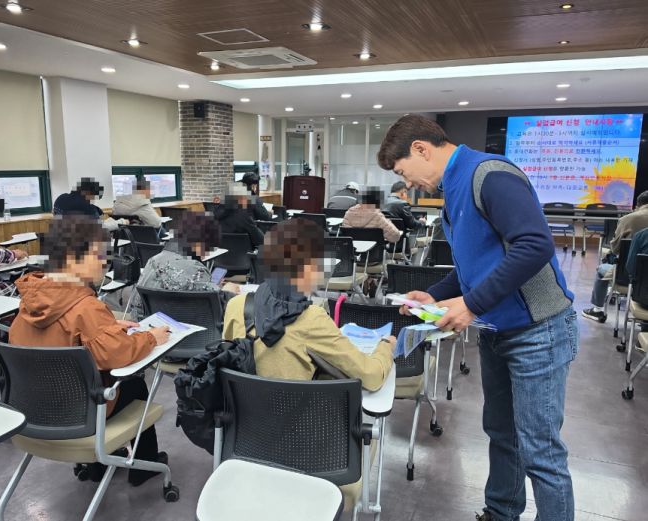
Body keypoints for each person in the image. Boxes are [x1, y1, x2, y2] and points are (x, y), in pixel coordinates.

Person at [378, 114, 576, 521]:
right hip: (497, 330)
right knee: (502, 434)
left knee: (540, 451)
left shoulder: (489, 175)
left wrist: (471, 305)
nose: (407, 183)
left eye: (402, 172)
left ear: (421, 149)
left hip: (538, 331)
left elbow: (534, 245)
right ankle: (501, 512)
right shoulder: (453, 189)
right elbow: (473, 264)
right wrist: (434, 295)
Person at [9, 215, 171, 486]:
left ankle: (97, 467)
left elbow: (63, 334)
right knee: (133, 385)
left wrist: (107, 327)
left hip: (35, 410)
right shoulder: (86, 307)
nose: (104, 263)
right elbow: (117, 354)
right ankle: (144, 466)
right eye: (98, 255)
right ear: (73, 259)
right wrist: (151, 337)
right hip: (78, 414)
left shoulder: (30, 301)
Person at [222, 218, 395, 389]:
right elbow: (372, 377)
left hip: (241, 405)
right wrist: (386, 346)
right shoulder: (312, 319)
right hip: (294, 406)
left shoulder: (236, 305)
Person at [134, 211, 240, 319]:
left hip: (150, 324)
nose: (207, 254)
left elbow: (137, 305)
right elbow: (219, 306)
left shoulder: (152, 261)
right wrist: (228, 292)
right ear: (199, 244)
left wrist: (209, 286)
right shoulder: (196, 270)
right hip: (188, 325)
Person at [582, 191, 648, 322]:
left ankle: (597, 310)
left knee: (602, 268)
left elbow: (616, 249)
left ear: (638, 205)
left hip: (629, 277)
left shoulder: (628, 219)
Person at [53, 178, 123, 231]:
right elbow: (99, 228)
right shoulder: (88, 208)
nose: (93, 200)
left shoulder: (60, 198)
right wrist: (121, 222)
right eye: (94, 197)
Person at [213, 184, 264, 250]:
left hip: (220, 255)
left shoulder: (213, 217)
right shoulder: (244, 217)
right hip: (244, 255)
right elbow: (261, 240)